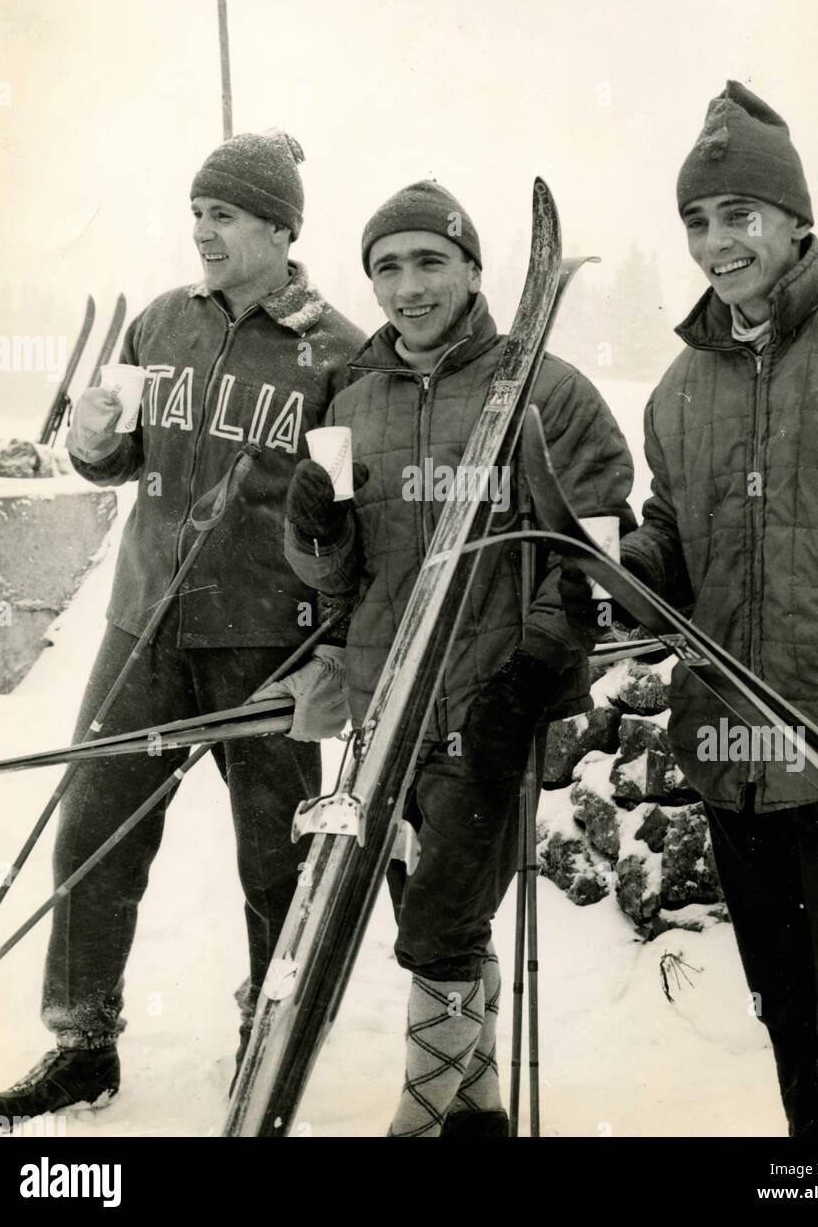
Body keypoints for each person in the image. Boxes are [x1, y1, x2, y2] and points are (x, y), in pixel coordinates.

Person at [563, 81, 818, 1137]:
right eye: (696, 219)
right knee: (796, 1051)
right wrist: (603, 562)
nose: (715, 241)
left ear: (795, 219)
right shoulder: (679, 391)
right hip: (738, 775)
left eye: (738, 213)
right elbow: (675, 551)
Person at [0, 131, 365, 1121]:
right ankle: (82, 1042)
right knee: (93, 835)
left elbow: (360, 520)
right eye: (197, 211)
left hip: (269, 645)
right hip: (143, 623)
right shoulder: (158, 324)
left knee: (277, 858)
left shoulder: (340, 355)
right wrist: (99, 446)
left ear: (281, 230)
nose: (203, 230)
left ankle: (268, 1030)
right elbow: (117, 460)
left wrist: (337, 651)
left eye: (224, 213)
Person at [276, 180, 636, 1136]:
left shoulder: (546, 391)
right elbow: (333, 576)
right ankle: (478, 1111)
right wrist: (315, 521)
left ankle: (422, 1116)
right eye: (386, 267)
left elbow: (592, 558)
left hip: (491, 708)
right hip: (384, 708)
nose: (408, 285)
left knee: (436, 925)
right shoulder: (354, 398)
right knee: (444, 925)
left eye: (430, 260)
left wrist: (536, 671)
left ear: (474, 270)